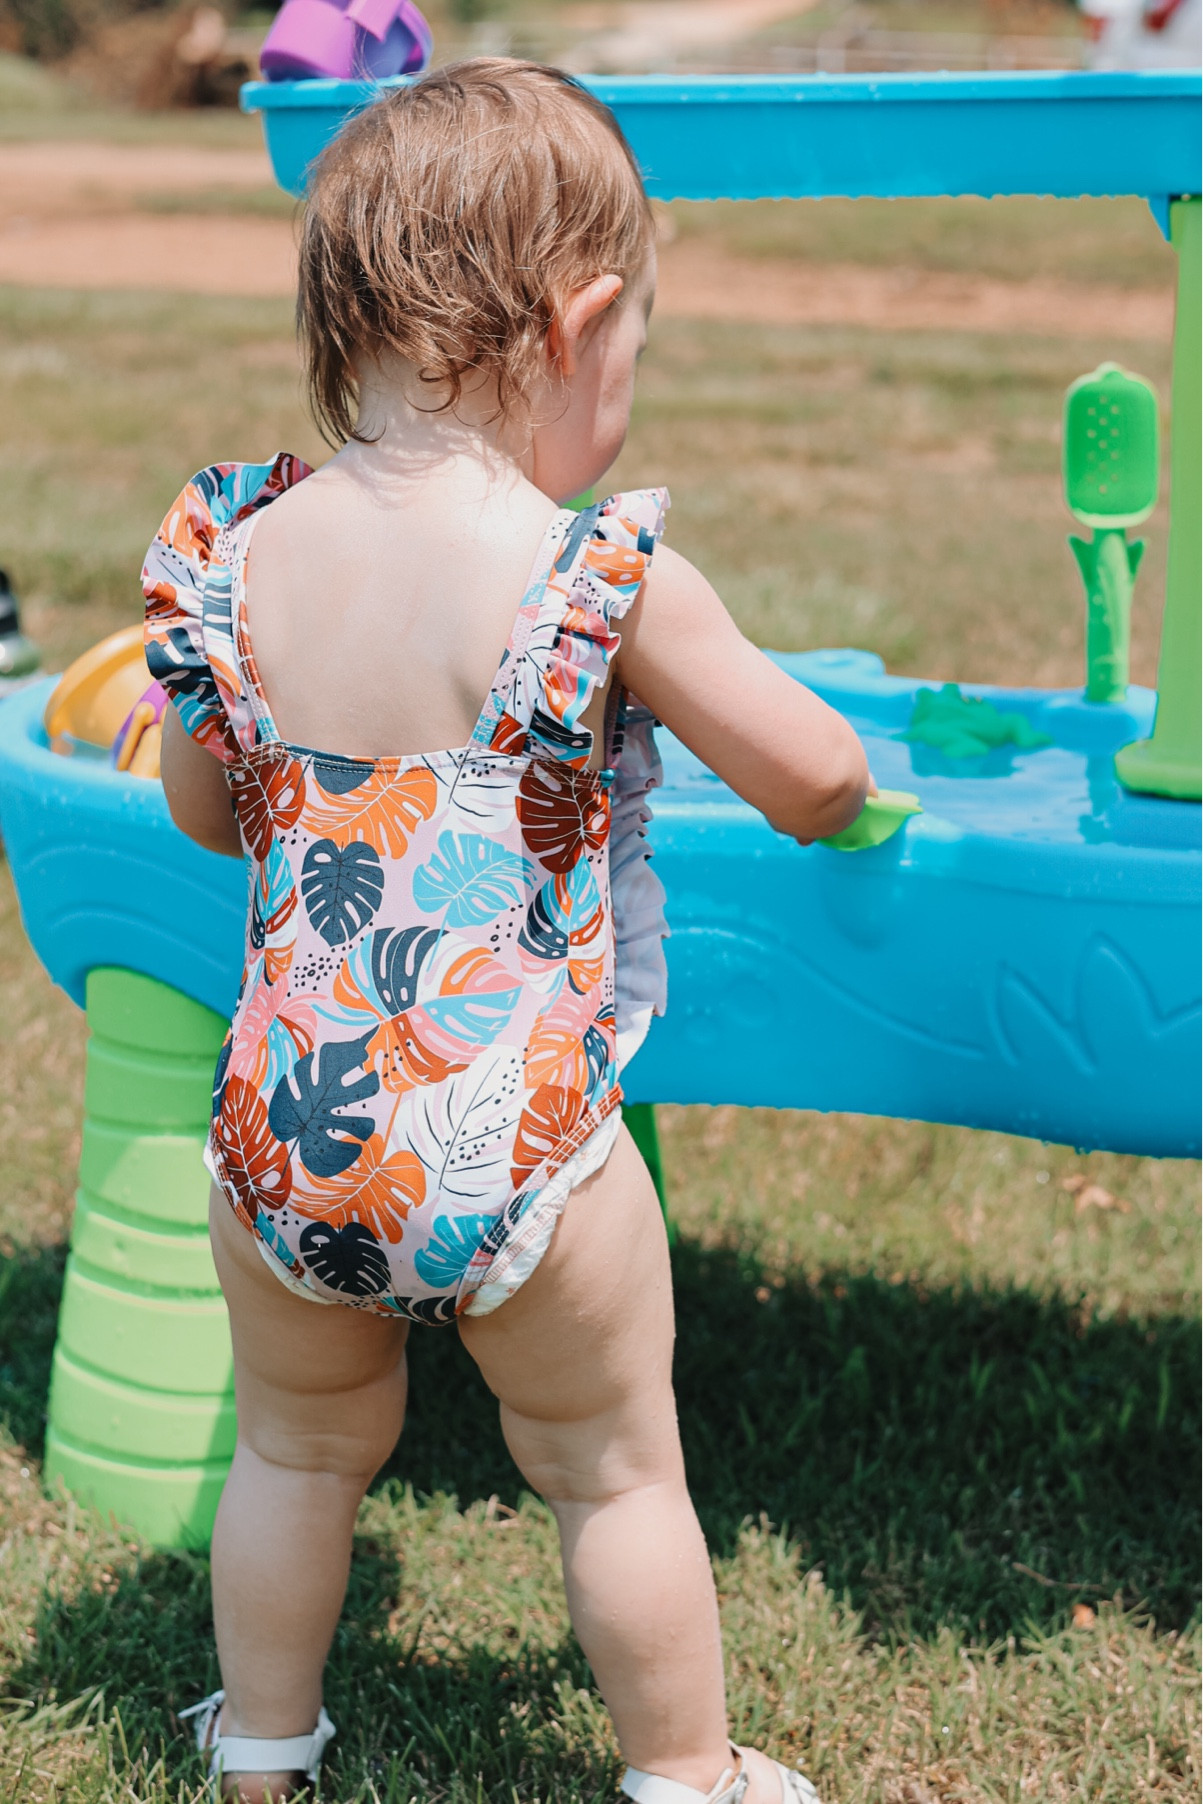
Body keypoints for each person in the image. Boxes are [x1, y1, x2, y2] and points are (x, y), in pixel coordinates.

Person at [144, 58, 870, 1804]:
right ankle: (685, 1775)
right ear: (582, 323)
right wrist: (834, 781)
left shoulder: (240, 556)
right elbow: (817, 777)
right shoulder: (593, 579)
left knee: (294, 1454)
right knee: (614, 1470)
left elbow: (203, 810)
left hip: (285, 1133)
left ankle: (261, 1749)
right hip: (514, 1136)